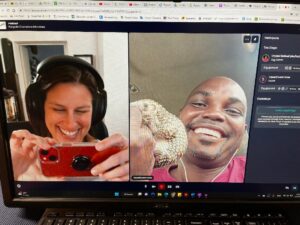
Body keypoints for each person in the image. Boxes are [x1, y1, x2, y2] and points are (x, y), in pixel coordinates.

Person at [10, 55, 129, 181]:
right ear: (40, 109)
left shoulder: (112, 160)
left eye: (81, 110)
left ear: (96, 112)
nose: (70, 124)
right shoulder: (23, 162)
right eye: (59, 109)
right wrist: (11, 176)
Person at [130, 76, 247, 182]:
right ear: (179, 117)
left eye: (233, 111)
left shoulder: (257, 170)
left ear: (243, 133)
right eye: (199, 104)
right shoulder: (139, 170)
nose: (214, 113)